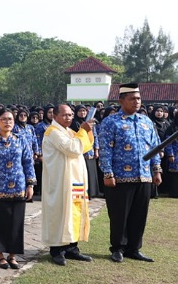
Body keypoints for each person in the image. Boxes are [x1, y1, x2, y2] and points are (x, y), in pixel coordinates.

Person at [98, 83, 162, 263]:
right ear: (121, 100)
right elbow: (105, 150)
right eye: (132, 99)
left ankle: (134, 248)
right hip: (120, 178)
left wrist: (156, 170)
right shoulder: (111, 122)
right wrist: (108, 173)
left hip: (144, 176)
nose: (136, 102)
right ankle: (118, 248)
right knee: (119, 215)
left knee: (139, 215)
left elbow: (155, 147)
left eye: (139, 99)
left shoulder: (146, 121)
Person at [41, 104, 94, 266]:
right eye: (64, 115)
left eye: (71, 115)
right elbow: (73, 148)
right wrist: (83, 131)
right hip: (60, 182)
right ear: (54, 116)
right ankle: (57, 250)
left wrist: (87, 131)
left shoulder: (69, 131)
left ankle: (72, 247)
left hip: (74, 180)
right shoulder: (53, 132)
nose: (69, 118)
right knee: (60, 213)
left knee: (74, 212)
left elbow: (85, 146)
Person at [0, 110, 35, 269]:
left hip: (19, 186)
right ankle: (0, 256)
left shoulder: (21, 139)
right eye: (4, 119)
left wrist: (30, 184)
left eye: (10, 119)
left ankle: (12, 256)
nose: (8, 122)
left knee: (16, 223)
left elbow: (28, 162)